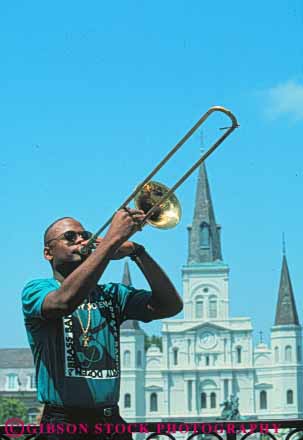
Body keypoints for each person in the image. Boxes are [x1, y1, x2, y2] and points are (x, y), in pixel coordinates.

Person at [22, 208, 183, 439]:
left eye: (84, 234)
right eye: (70, 237)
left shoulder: (111, 294)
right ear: (48, 253)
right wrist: (112, 241)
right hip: (64, 422)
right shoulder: (36, 289)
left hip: (109, 420)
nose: (80, 239)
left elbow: (170, 306)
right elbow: (63, 303)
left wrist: (138, 253)